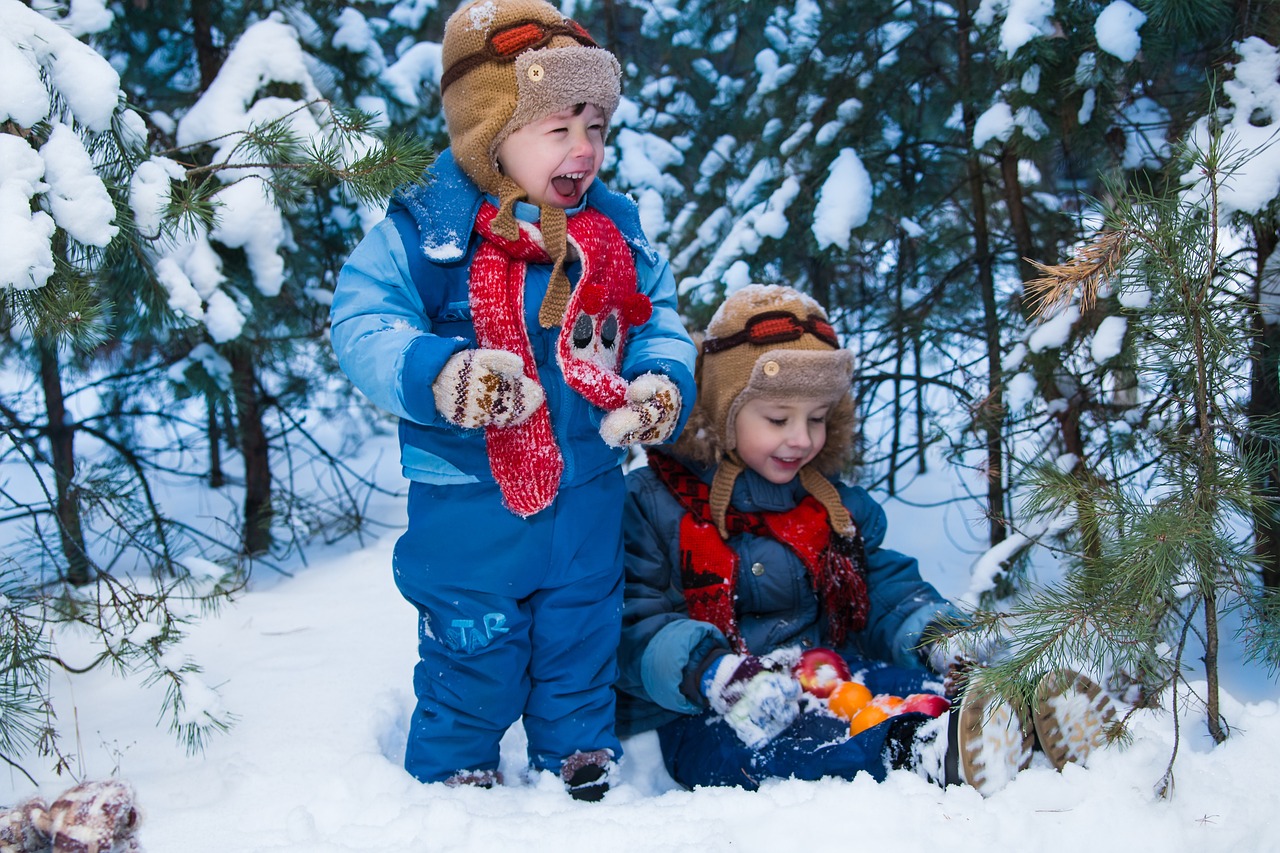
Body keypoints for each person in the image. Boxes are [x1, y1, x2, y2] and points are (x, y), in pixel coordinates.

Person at [330, 0, 697, 801]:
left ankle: (576, 749)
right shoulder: (430, 233)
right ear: (491, 132)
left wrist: (662, 380)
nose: (586, 149)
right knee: (473, 646)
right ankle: (456, 765)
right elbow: (361, 321)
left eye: (596, 126)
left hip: (588, 491)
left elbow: (658, 316)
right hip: (471, 506)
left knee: (580, 630)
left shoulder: (613, 235)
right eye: (559, 128)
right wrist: (441, 373)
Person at [617, 284, 1118, 795]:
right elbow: (635, 623)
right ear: (723, 413)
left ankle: (1020, 713)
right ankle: (920, 750)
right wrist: (713, 672)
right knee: (762, 754)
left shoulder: (834, 507)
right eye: (777, 419)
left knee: (913, 689)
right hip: (712, 706)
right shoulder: (654, 505)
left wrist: (937, 636)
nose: (801, 438)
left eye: (817, 419)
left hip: (833, 672)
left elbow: (885, 593)